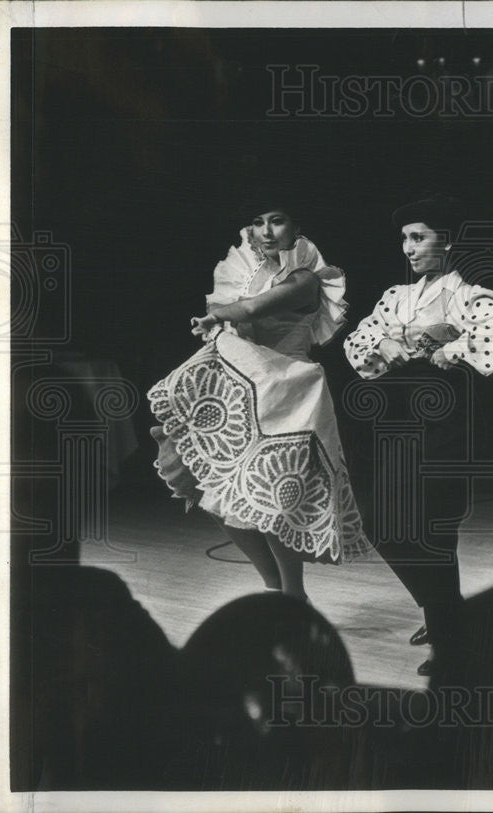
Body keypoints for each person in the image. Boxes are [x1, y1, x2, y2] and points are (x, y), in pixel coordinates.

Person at [148, 203, 369, 603]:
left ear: (296, 228)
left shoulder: (305, 279)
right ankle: (273, 587)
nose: (267, 231)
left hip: (288, 391)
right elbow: (231, 307)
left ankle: (293, 594)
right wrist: (220, 315)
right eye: (257, 222)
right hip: (245, 387)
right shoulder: (245, 274)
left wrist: (218, 317)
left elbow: (250, 309)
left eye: (277, 221)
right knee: (209, 484)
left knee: (271, 496)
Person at [343, 193, 493, 676]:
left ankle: (449, 637)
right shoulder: (396, 297)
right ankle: (446, 613)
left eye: (418, 238)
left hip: (448, 424)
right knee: (380, 521)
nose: (408, 248)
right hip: (398, 425)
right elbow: (357, 342)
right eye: (404, 239)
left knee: (433, 528)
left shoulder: (468, 292)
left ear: (448, 241)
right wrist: (382, 341)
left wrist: (454, 349)